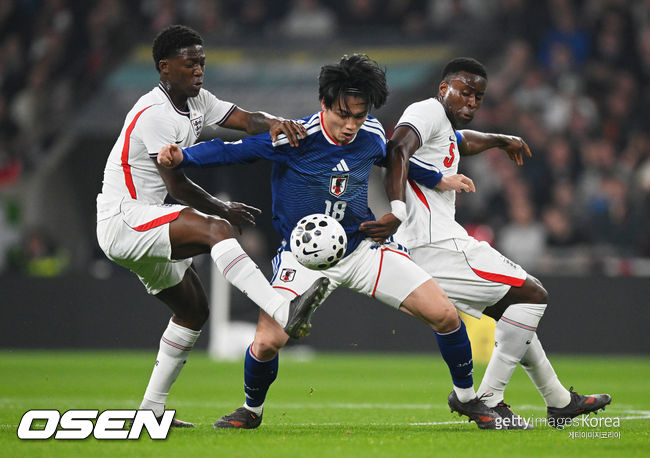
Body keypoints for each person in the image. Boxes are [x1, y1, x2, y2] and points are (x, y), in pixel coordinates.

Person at [158, 54, 500, 429]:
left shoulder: (370, 134)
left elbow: (392, 157)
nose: (350, 125)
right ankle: (251, 410)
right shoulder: (295, 137)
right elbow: (232, 151)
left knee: (446, 315)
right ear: (324, 103)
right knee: (267, 342)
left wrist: (438, 179)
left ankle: (466, 398)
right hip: (303, 255)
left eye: (359, 116)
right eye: (343, 115)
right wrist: (183, 156)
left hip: (362, 247)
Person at [95, 25, 329, 428]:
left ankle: (150, 412)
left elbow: (245, 119)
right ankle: (281, 309)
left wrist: (279, 123)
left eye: (202, 62)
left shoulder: (197, 101)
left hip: (145, 221)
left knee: (193, 311)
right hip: (124, 217)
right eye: (190, 63)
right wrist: (223, 208)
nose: (199, 70)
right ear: (165, 67)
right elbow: (177, 185)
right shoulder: (154, 113)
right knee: (216, 229)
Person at [359, 57, 611, 429]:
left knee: (515, 313)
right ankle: (490, 400)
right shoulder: (426, 111)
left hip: (432, 244)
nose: (472, 102)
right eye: (465, 92)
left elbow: (461, 142)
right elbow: (395, 150)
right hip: (437, 243)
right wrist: (398, 207)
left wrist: (498, 139)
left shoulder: (443, 126)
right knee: (532, 295)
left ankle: (559, 401)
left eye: (478, 97)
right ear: (443, 88)